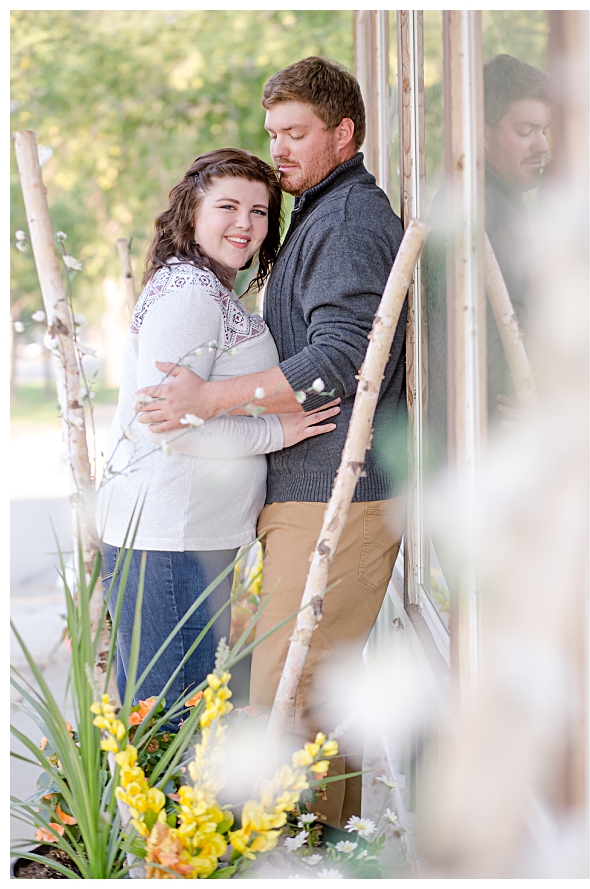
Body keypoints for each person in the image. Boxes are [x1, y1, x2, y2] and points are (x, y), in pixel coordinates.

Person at [131, 57, 407, 829]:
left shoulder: (349, 221)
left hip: (339, 493)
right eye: (272, 134)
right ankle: (325, 855)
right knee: (313, 701)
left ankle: (290, 861)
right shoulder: (321, 213)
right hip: (318, 490)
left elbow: (341, 356)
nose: (279, 148)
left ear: (342, 134)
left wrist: (207, 396)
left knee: (286, 700)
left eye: (295, 133)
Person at [97, 148, 340, 713]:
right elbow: (170, 430)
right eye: (228, 206)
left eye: (260, 211)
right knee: (177, 719)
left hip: (187, 537)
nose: (245, 224)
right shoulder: (188, 295)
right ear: (191, 214)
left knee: (173, 717)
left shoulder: (205, 288)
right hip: (168, 539)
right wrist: (280, 430)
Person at [424, 53, 551, 449]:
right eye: (526, 130)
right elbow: (490, 334)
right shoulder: (479, 205)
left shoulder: (502, 203)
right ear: (481, 132)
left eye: (545, 130)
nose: (541, 145)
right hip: (493, 447)